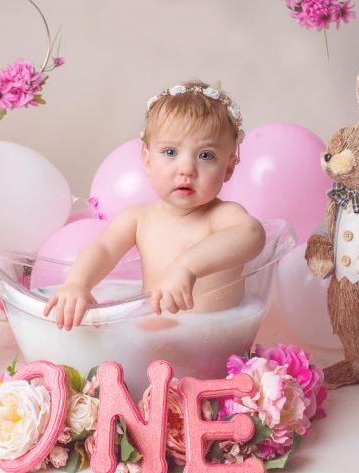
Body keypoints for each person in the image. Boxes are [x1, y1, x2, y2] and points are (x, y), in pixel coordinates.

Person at [44, 80, 266, 330]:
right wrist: (77, 284)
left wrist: (186, 266)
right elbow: (104, 250)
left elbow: (252, 234)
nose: (187, 169)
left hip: (213, 339)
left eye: (206, 155)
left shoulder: (221, 216)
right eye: (170, 152)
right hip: (154, 336)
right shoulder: (138, 218)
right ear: (147, 161)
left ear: (228, 168)